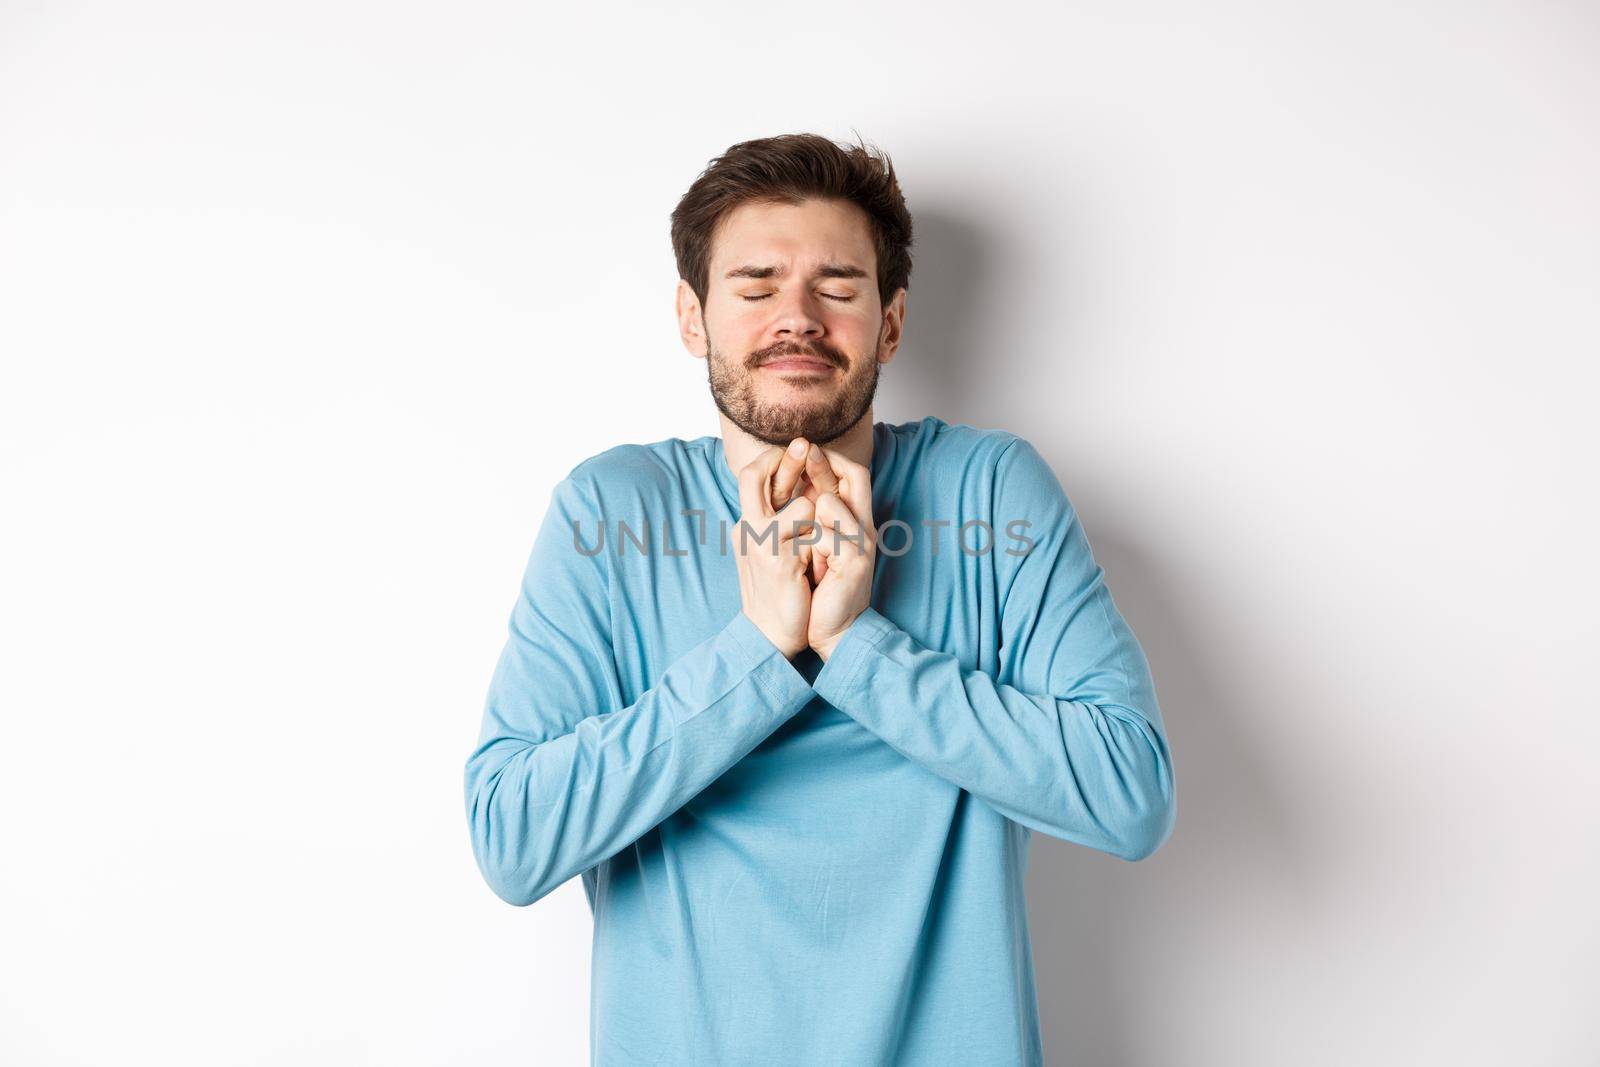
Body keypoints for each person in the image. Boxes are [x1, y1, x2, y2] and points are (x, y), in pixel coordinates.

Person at [463, 132, 1176, 1065]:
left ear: (889, 322)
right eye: (756, 287)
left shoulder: (992, 490)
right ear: (693, 316)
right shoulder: (610, 511)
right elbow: (512, 837)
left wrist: (855, 645)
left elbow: (1130, 794)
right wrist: (758, 648)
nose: (795, 318)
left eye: (837, 287)